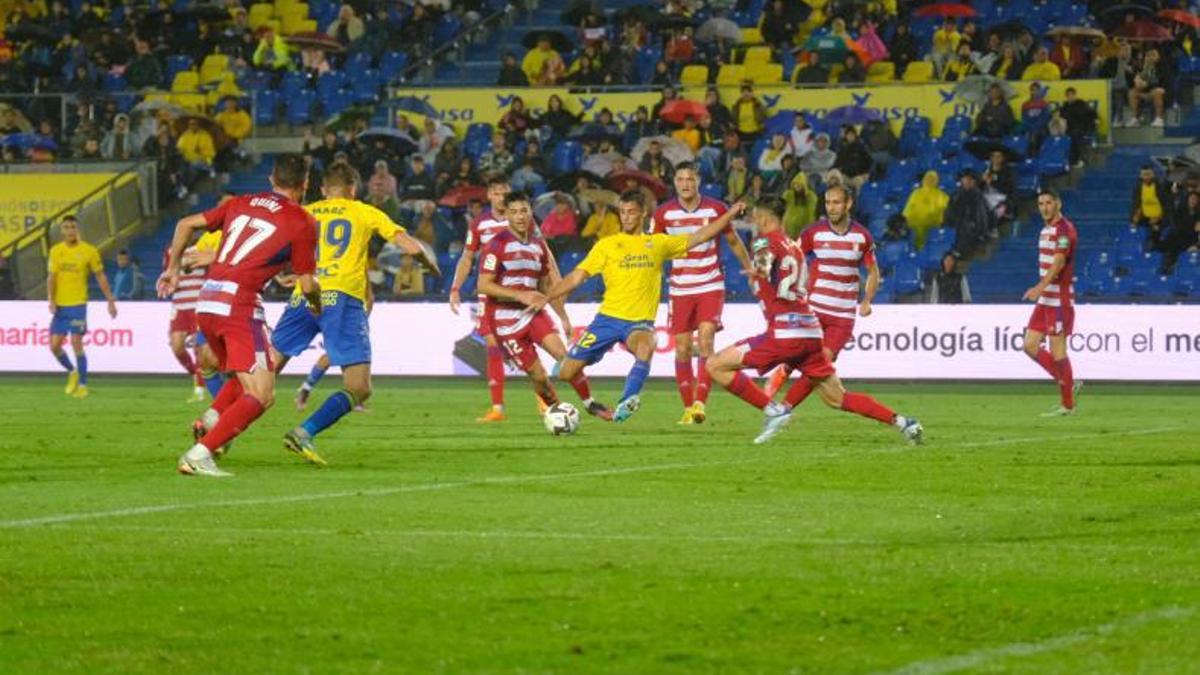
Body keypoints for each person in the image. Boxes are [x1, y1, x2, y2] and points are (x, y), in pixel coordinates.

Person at [706, 196, 923, 445]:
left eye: (755, 217)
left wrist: (757, 272)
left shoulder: (763, 241)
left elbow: (764, 267)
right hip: (810, 331)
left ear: (764, 218)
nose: (754, 222)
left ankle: (773, 411)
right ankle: (905, 423)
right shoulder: (794, 247)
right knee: (836, 397)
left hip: (785, 331)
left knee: (715, 365)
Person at [160, 153, 321, 477]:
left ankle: (211, 420)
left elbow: (185, 224)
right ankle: (200, 453)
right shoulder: (303, 221)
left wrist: (173, 269)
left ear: (271, 180)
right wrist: (317, 303)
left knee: (249, 372)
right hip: (240, 306)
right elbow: (306, 284)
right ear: (304, 185)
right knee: (262, 392)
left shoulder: (240, 202)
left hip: (207, 302)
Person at [270, 161, 437, 464]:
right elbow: (409, 246)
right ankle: (305, 431)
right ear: (353, 189)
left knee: (265, 371)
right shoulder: (363, 211)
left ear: (323, 190)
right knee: (359, 387)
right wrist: (430, 264)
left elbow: (276, 248)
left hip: (304, 294)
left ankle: (215, 424)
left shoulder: (306, 211)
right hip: (342, 298)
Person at [544, 189, 746, 423]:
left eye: (631, 212)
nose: (626, 217)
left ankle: (627, 400)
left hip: (638, 324)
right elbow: (576, 278)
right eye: (622, 212)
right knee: (566, 372)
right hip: (606, 321)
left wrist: (729, 214)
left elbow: (700, 236)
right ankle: (591, 404)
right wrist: (547, 296)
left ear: (643, 215)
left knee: (647, 344)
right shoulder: (606, 245)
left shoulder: (658, 243)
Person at [476, 192, 612, 419]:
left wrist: (563, 317)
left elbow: (547, 286)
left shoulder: (538, 245)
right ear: (507, 215)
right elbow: (483, 285)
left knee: (566, 357)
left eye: (524, 211)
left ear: (531, 212)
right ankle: (556, 411)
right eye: (514, 212)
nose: (520, 216)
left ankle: (590, 404)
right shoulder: (495, 245)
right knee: (538, 376)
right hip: (505, 321)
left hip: (534, 314)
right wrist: (519, 296)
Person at [651, 162, 753, 424]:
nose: (685, 184)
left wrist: (750, 268)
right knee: (683, 348)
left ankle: (700, 403)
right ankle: (687, 407)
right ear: (675, 182)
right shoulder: (663, 214)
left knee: (706, 340)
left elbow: (732, 241)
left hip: (710, 283)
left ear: (699, 182)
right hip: (680, 288)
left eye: (690, 179)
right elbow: (653, 251)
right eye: (681, 179)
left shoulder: (716, 209)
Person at [763, 186, 878, 401]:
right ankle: (781, 377)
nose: (831, 208)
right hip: (814, 308)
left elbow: (873, 271)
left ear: (848, 204)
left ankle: (784, 407)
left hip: (842, 316)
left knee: (822, 364)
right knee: (796, 354)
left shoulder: (862, 236)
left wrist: (867, 300)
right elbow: (793, 256)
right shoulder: (813, 232)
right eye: (828, 203)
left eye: (836, 203)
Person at [449, 174, 513, 422]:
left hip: (518, 291)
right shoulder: (479, 224)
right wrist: (456, 287)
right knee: (493, 346)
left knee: (528, 347)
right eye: (495, 193)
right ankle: (498, 408)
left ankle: (545, 400)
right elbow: (467, 257)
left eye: (504, 192)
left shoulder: (521, 219)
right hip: (489, 293)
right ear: (489, 196)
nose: (500, 197)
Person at [1022, 188, 1080, 416]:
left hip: (1059, 301)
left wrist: (1039, 288)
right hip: (1046, 301)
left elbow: (1058, 264)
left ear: (1058, 204)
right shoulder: (1045, 230)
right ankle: (1067, 381)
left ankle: (1068, 405)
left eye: (1048, 203)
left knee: (1058, 352)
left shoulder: (1065, 231)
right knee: (1029, 345)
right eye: (1041, 203)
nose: (1044, 207)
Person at [47, 215, 118, 399]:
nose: (70, 230)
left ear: (78, 229)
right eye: (67, 227)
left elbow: (100, 276)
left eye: (73, 227)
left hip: (78, 304)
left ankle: (83, 385)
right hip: (61, 306)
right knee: (54, 346)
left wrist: (110, 300)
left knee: (76, 343)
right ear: (62, 231)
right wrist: (51, 299)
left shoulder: (89, 251)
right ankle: (72, 372)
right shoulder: (56, 251)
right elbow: (52, 277)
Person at [165, 229, 225, 403]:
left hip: (198, 303)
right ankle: (195, 373)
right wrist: (167, 280)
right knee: (177, 347)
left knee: (199, 349)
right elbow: (168, 273)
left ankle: (199, 389)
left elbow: (212, 272)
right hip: (179, 305)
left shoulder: (202, 248)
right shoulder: (171, 252)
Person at [902, 170, 950, 248]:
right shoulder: (916, 193)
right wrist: (905, 218)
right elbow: (908, 208)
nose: (929, 181)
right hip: (914, 224)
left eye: (932, 179)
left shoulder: (941, 195)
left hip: (932, 225)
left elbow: (947, 209)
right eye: (928, 178)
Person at [1130, 164, 1173, 243]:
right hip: (1145, 220)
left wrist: (1159, 218)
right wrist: (1134, 219)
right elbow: (1136, 204)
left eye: (1148, 174)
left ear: (1153, 175)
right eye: (1144, 174)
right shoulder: (1138, 188)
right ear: (1141, 176)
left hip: (1160, 221)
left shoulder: (1160, 187)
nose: (1147, 177)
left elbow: (1167, 206)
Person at [1058, 87, 1097, 168]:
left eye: (1072, 95)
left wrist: (1092, 123)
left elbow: (1093, 114)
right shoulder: (1064, 107)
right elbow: (1061, 119)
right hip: (1068, 128)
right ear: (1066, 96)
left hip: (1081, 127)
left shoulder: (1082, 104)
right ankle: (1066, 160)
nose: (1070, 97)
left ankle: (1079, 159)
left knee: (1075, 135)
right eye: (1068, 95)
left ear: (1075, 95)